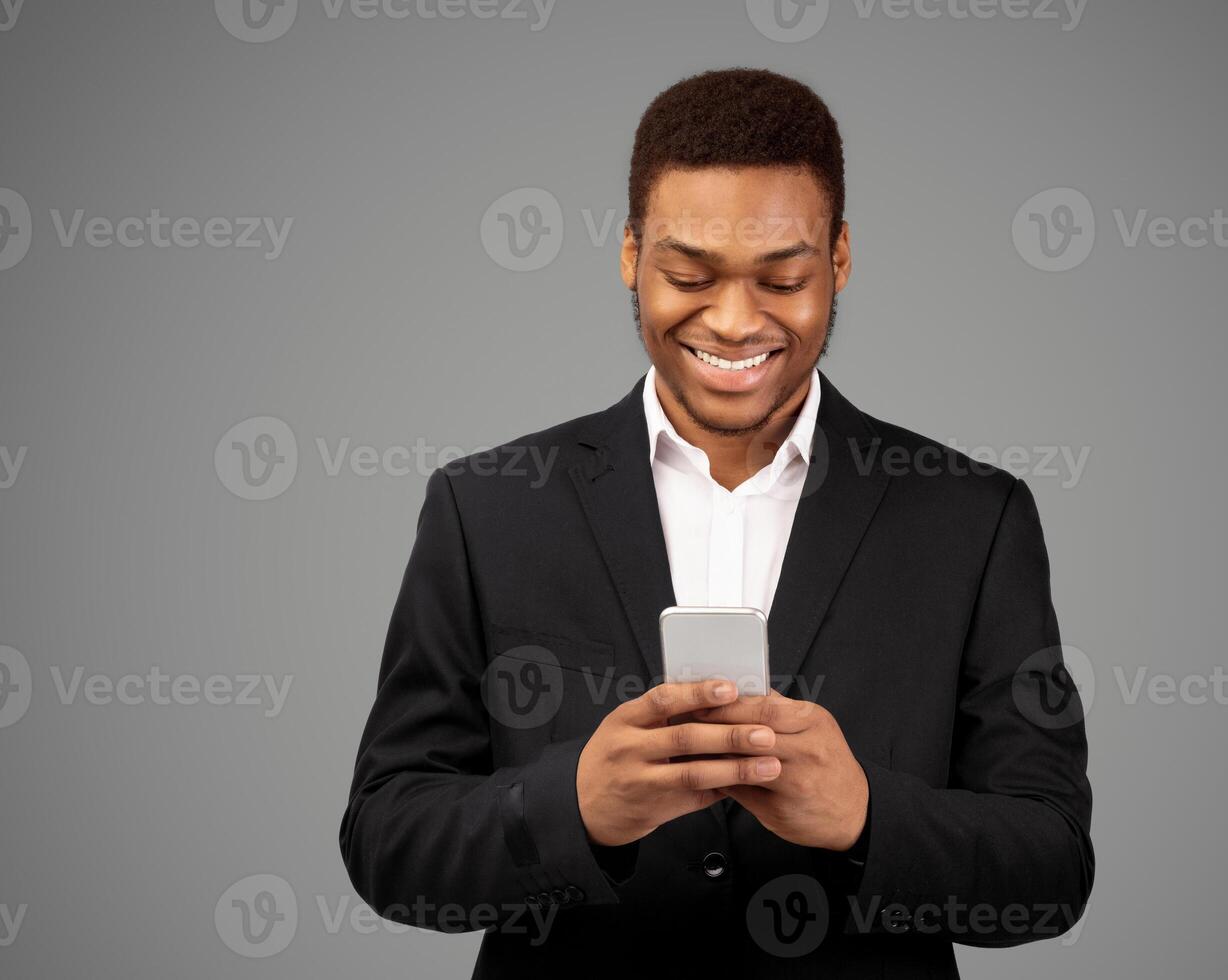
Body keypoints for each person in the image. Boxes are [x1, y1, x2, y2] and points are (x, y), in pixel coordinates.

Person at [339, 66, 1094, 978]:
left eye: (783, 278)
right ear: (629, 254)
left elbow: (1052, 866)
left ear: (840, 259)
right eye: (689, 274)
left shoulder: (974, 519)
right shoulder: (488, 505)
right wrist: (570, 806)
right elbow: (386, 840)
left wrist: (866, 815)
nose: (734, 323)